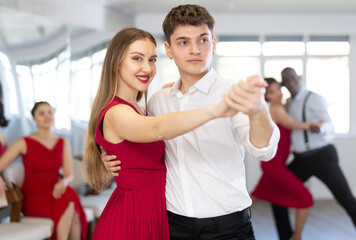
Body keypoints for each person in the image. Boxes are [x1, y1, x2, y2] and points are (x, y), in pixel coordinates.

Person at [101, 5, 280, 239]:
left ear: (213, 43)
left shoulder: (234, 94)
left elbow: (264, 151)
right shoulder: (158, 101)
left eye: (203, 40)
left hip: (228, 228)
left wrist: (258, 112)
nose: (195, 50)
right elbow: (144, 134)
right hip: (172, 226)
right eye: (184, 42)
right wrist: (111, 158)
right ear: (169, 49)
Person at [271, 67, 356, 240]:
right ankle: (287, 237)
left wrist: (320, 128)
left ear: (299, 78)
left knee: (346, 199)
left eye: (294, 78)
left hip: (322, 156)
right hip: (301, 159)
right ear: (283, 84)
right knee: (277, 193)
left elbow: (329, 125)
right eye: (287, 80)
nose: (292, 83)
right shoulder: (288, 104)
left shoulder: (314, 98)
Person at [0, 101, 87, 240]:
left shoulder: (62, 142)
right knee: (70, 201)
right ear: (34, 119)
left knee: (70, 202)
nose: (47, 116)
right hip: (34, 196)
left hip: (57, 191)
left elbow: (69, 174)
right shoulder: (24, 142)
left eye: (50, 112)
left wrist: (64, 182)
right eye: (41, 113)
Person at [251, 78, 321, 240]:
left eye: (278, 89)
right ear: (266, 96)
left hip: (275, 164)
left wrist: (289, 103)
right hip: (273, 165)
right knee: (306, 198)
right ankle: (296, 236)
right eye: (273, 92)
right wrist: (310, 125)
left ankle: (227, 219)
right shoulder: (275, 108)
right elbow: (290, 124)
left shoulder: (280, 107)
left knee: (252, 197)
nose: (278, 94)